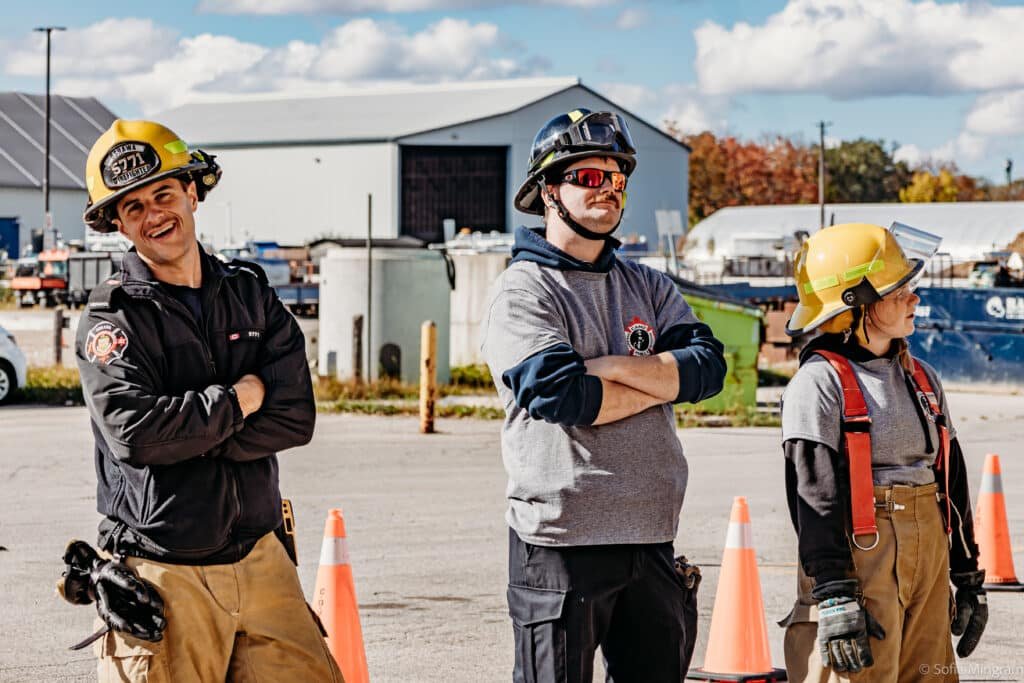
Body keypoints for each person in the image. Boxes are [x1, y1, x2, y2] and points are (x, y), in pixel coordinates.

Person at [74, 119, 344, 682]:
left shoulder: (250, 293)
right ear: (118, 224)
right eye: (133, 208)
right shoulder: (112, 318)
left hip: (263, 559)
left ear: (192, 192)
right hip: (163, 570)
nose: (154, 215)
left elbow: (295, 418)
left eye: (164, 194)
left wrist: (192, 436)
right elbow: (138, 436)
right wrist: (242, 397)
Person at [480, 108, 727, 683]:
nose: (608, 190)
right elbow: (565, 396)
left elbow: (707, 370)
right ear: (549, 190)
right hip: (563, 542)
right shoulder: (523, 291)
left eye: (617, 179)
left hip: (652, 540)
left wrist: (614, 366)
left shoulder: (649, 285)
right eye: (589, 178)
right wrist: (658, 381)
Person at [780, 223, 987, 681]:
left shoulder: (923, 377)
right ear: (856, 305)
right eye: (899, 290)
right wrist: (834, 593)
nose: (913, 298)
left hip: (927, 554)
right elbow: (814, 495)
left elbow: (950, 478)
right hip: (860, 561)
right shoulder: (817, 384)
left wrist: (967, 574)